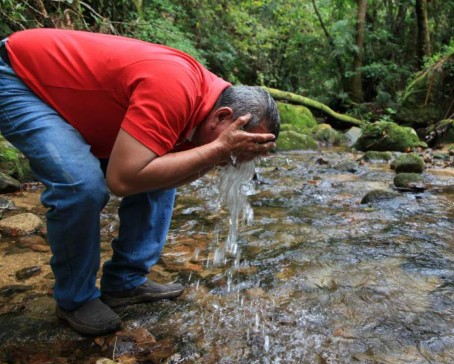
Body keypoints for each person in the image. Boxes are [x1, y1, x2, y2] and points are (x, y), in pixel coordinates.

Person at [0, 28, 279, 335]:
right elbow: (122, 181)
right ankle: (74, 300)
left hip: (77, 99)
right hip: (19, 77)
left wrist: (217, 151)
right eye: (238, 146)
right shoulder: (174, 89)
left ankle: (125, 283)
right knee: (82, 186)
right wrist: (219, 149)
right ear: (223, 118)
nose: (235, 158)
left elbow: (171, 171)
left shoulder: (214, 109)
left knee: (162, 166)